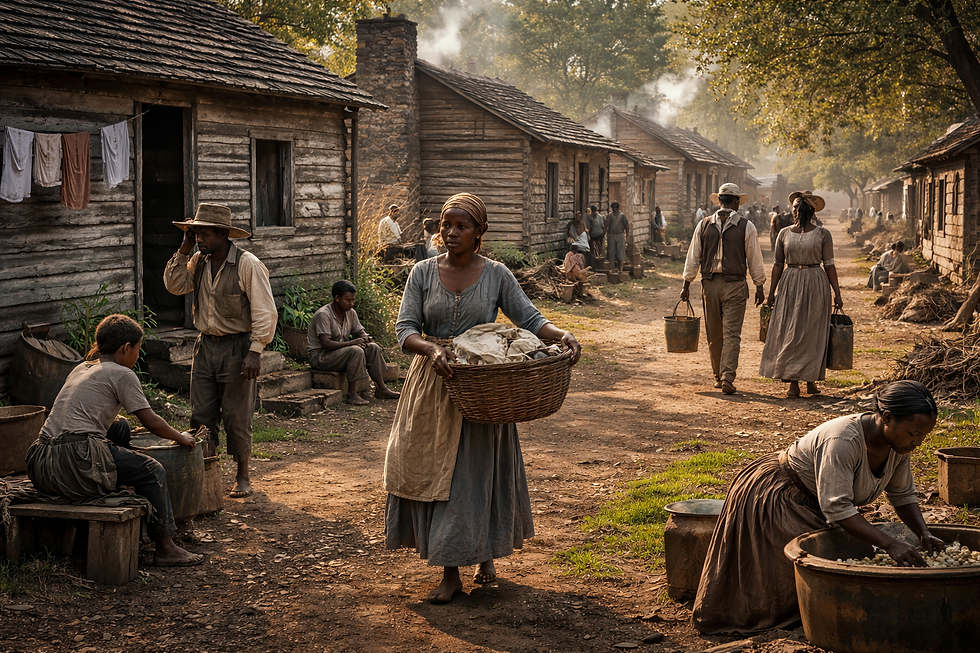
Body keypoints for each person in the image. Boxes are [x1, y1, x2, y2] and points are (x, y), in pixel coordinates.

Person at [383, 192, 581, 604]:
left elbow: (529, 318)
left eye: (461, 226)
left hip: (483, 389)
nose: (450, 232)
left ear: (479, 234)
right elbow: (405, 330)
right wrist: (433, 349)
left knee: (476, 475)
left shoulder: (496, 275)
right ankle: (451, 570)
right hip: (434, 386)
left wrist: (562, 335)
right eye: (446, 224)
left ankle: (485, 552)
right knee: (442, 477)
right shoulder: (421, 272)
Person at [693, 381, 944, 634]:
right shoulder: (844, 439)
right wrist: (890, 543)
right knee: (793, 575)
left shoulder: (898, 447)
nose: (918, 442)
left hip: (816, 503)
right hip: (779, 495)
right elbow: (838, 508)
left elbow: (902, 496)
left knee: (844, 559)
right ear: (887, 418)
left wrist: (924, 533)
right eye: (914, 434)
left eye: (923, 435)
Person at [26, 315, 203, 567]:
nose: (137, 355)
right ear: (126, 348)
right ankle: (166, 548)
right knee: (152, 470)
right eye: (138, 349)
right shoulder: (122, 374)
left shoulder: (82, 367)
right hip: (74, 463)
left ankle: (120, 473)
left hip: (40, 462)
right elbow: (151, 421)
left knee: (119, 427)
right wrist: (181, 437)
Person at [164, 203, 277, 499]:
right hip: (205, 347)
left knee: (237, 415)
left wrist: (255, 350)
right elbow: (174, 286)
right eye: (195, 233)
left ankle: (243, 475)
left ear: (223, 233)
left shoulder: (246, 264)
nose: (198, 238)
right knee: (201, 413)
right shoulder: (198, 260)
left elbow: (265, 310)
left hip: (238, 348)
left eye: (203, 233)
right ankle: (206, 473)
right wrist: (185, 249)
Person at [681, 183, 766, 395]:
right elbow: (754, 259)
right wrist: (759, 286)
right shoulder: (747, 227)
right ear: (736, 202)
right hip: (735, 285)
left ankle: (720, 376)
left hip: (709, 284)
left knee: (714, 334)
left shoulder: (703, 224)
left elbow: (693, 257)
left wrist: (686, 284)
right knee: (731, 335)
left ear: (719, 201)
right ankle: (727, 376)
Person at [760, 191, 843, 397]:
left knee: (813, 332)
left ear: (808, 211)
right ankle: (793, 383)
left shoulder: (823, 234)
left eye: (799, 209)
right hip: (790, 284)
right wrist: (771, 293)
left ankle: (810, 380)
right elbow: (778, 264)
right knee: (792, 332)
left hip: (815, 282)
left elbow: (829, 265)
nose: (796, 212)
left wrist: (837, 293)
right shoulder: (784, 234)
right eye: (795, 209)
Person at [307, 280, 401, 406]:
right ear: (337, 298)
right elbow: (326, 344)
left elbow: (360, 331)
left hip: (339, 353)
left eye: (353, 300)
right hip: (321, 357)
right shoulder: (324, 315)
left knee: (373, 348)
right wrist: (352, 343)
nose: (351, 304)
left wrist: (365, 337)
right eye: (348, 300)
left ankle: (381, 388)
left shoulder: (351, 313)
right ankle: (352, 394)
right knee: (355, 350)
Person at [606, 201, 630, 275]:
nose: (614, 210)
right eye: (613, 208)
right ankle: (611, 269)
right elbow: (607, 225)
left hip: (620, 234)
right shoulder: (610, 215)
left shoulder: (622, 216)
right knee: (611, 251)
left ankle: (620, 269)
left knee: (620, 251)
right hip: (612, 234)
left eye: (615, 208)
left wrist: (627, 234)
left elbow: (626, 225)